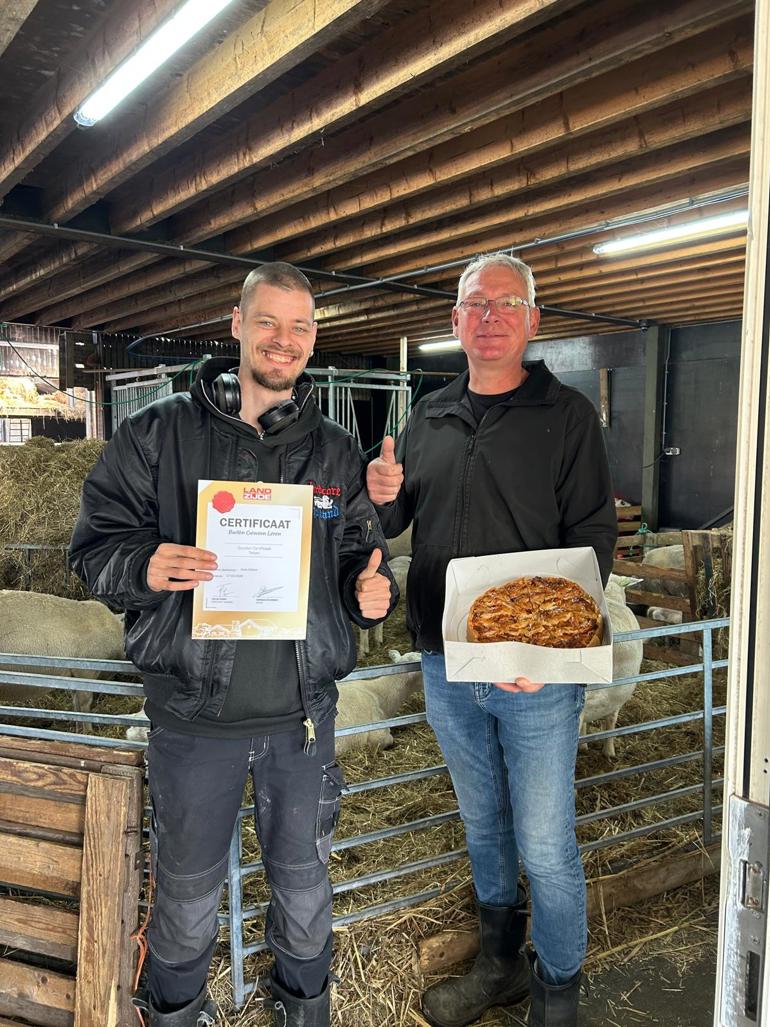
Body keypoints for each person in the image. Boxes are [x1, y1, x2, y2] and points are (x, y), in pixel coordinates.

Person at [70, 262, 398, 1027]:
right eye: (269, 321)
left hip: (302, 721)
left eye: (300, 326)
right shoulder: (157, 434)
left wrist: (368, 592)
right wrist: (144, 565)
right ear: (237, 325)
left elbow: (361, 552)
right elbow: (91, 550)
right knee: (186, 896)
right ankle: (175, 1011)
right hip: (192, 718)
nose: (284, 340)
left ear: (313, 338)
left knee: (305, 886)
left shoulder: (335, 451)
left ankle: (304, 1011)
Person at [366, 253, 617, 1027]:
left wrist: (547, 653)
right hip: (446, 661)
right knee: (484, 824)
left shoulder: (566, 416)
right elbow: (396, 518)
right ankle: (500, 966)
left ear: (532, 319)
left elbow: (593, 536)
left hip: (535, 674)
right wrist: (379, 496)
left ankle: (557, 991)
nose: (491, 316)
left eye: (508, 303)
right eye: (476, 303)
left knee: (544, 840)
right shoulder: (430, 415)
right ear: (455, 321)